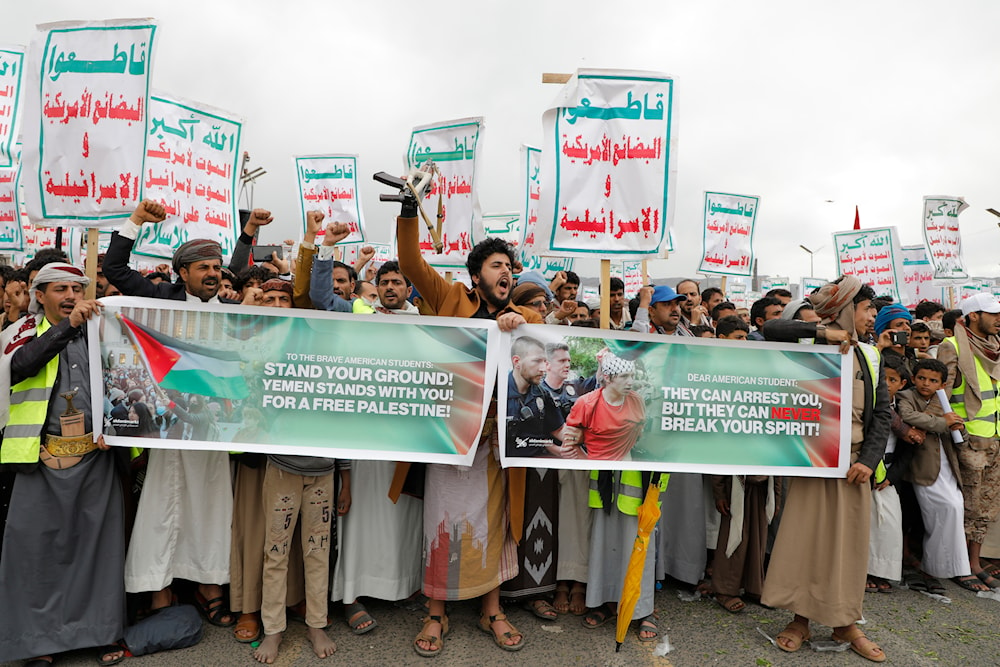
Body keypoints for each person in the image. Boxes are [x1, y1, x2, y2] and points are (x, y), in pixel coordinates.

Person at [393, 192, 542, 656]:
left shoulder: (523, 317)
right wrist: (407, 212)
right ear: (476, 275)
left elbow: (542, 340)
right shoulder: (448, 297)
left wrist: (522, 322)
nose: (507, 274)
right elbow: (411, 262)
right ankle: (436, 614)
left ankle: (491, 611)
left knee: (494, 524)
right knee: (444, 520)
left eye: (510, 268)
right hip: (452, 437)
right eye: (497, 266)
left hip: (499, 444)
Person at [0, 264, 127, 666]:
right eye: (60, 289)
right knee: (35, 552)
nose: (71, 294)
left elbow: (123, 380)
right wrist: (68, 327)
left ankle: (101, 634)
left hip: (95, 458)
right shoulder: (19, 333)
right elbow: (20, 368)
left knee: (97, 550)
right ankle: (39, 643)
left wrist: (117, 426)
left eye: (76, 288)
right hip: (41, 460)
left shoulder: (101, 334)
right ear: (40, 296)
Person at [760, 275, 890, 663]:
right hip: (812, 462)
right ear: (847, 310)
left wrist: (869, 461)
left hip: (853, 466)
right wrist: (824, 334)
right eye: (867, 309)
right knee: (806, 541)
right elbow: (770, 327)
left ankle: (845, 622)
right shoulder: (808, 341)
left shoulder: (870, 355)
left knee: (847, 548)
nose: (873, 317)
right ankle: (800, 619)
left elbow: (881, 414)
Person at [565, 352, 661, 641]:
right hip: (602, 485)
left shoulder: (637, 402)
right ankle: (606, 602)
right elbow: (570, 437)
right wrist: (584, 455)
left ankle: (642, 610)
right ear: (607, 377)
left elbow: (648, 440)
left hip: (638, 486)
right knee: (605, 544)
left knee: (639, 544)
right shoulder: (587, 403)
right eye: (625, 377)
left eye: (633, 376)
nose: (631, 382)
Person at [896, 358, 983, 592]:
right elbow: (909, 417)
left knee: (954, 507)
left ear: (942, 385)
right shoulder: (906, 397)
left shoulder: (943, 401)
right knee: (941, 512)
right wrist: (943, 422)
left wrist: (959, 428)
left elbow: (958, 436)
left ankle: (943, 567)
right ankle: (932, 567)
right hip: (923, 468)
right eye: (922, 378)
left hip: (946, 465)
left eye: (933, 381)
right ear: (913, 379)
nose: (926, 384)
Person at [936, 292, 1000, 588]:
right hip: (969, 439)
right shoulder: (951, 347)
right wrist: (956, 432)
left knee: (987, 507)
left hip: (994, 438)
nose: (998, 319)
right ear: (973, 316)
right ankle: (964, 565)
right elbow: (941, 397)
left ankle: (974, 560)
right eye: (992, 314)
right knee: (968, 505)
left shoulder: (995, 348)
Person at [540, 342, 591, 616]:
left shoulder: (577, 389)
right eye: (561, 360)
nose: (567, 364)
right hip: (542, 465)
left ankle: (577, 580)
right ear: (546, 364)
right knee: (550, 523)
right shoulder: (537, 390)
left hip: (575, 466)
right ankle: (557, 582)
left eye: (568, 359)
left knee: (577, 522)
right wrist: (557, 450)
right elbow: (537, 430)